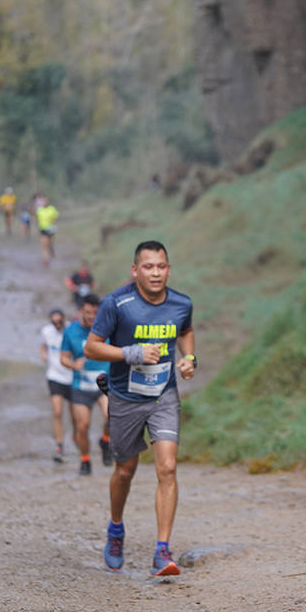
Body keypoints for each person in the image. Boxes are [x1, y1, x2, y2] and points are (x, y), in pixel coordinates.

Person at [84, 240, 196, 577]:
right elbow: (92, 348)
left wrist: (189, 358)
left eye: (161, 266)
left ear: (169, 269)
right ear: (135, 271)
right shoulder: (117, 303)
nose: (156, 273)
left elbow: (186, 332)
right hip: (125, 397)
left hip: (164, 397)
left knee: (168, 469)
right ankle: (116, 528)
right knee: (125, 471)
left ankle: (162, 550)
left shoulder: (181, 303)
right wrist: (130, 353)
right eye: (148, 267)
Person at [60, 294, 111, 476]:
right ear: (81, 311)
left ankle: (105, 440)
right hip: (81, 386)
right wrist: (73, 365)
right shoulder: (71, 331)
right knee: (82, 426)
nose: (91, 317)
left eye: (95, 313)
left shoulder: (108, 329)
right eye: (88, 312)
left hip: (104, 384)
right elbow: (63, 357)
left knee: (112, 416)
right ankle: (85, 460)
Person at [39, 308, 74, 463]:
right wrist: (44, 355)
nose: (57, 325)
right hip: (54, 376)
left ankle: (76, 436)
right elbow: (43, 345)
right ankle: (59, 445)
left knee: (76, 415)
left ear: (64, 320)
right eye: (54, 322)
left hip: (72, 377)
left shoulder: (71, 330)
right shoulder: (47, 331)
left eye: (59, 322)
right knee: (57, 412)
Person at [36, 196, 59, 268]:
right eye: (43, 201)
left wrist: (53, 224)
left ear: (48, 202)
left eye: (46, 201)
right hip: (43, 230)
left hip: (51, 229)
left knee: (50, 244)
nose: (45, 202)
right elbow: (37, 219)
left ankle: (52, 251)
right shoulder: (39, 210)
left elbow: (56, 217)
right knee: (44, 246)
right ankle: (46, 260)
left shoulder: (52, 209)